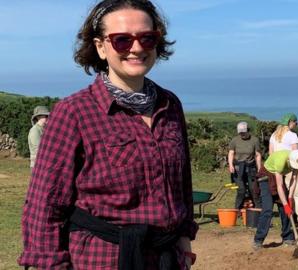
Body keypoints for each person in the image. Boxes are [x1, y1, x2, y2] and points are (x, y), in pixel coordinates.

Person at [19, 1, 197, 269]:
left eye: (147, 38)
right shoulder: (74, 112)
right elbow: (45, 203)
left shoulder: (170, 105)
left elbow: (181, 182)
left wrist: (184, 238)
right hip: (103, 258)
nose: (137, 48)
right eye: (122, 40)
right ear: (101, 47)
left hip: (166, 257)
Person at [253, 149, 298, 250]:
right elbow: (279, 185)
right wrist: (286, 204)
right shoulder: (280, 161)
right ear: (289, 161)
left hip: (278, 178)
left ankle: (288, 237)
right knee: (268, 209)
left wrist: (289, 198)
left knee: (286, 209)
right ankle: (258, 240)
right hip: (266, 177)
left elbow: (294, 180)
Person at [269, 113, 298, 227]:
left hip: (277, 167)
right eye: (296, 122)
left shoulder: (274, 135)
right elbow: (297, 155)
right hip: (291, 166)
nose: (296, 125)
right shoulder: (292, 135)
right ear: (291, 122)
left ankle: (289, 219)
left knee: (284, 192)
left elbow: (271, 153)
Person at [228, 121, 262, 209]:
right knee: (241, 190)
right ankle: (237, 209)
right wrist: (231, 165)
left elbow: (258, 155)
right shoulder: (235, 140)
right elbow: (231, 153)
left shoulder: (255, 140)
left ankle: (258, 209)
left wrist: (259, 168)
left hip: (251, 167)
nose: (242, 134)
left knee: (253, 190)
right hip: (238, 168)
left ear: (248, 130)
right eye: (240, 133)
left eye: (243, 132)